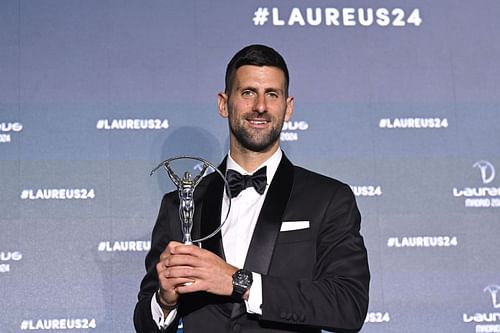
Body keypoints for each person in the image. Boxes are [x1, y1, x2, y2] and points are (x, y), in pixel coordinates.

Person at [134, 44, 370, 333]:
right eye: (248, 93)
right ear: (223, 103)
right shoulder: (181, 204)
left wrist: (239, 282)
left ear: (288, 107)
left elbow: (348, 306)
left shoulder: (329, 199)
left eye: (272, 94)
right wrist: (165, 301)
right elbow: (146, 323)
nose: (260, 106)